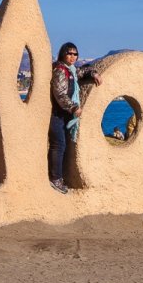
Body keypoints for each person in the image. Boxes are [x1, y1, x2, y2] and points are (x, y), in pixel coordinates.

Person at [47, 42, 101, 194]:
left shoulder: (71, 70)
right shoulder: (60, 70)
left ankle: (59, 177)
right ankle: (55, 178)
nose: (72, 56)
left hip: (65, 115)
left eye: (75, 54)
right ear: (63, 54)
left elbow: (83, 71)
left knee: (63, 145)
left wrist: (93, 73)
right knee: (58, 145)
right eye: (69, 53)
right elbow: (59, 93)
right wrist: (74, 107)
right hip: (57, 114)